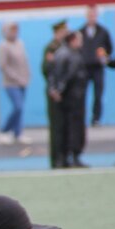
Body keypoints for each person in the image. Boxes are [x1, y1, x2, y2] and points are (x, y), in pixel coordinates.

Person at [47, 30, 89, 168]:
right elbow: (66, 75)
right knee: (72, 129)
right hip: (73, 99)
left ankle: (66, 158)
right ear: (72, 40)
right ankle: (70, 157)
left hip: (72, 97)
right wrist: (58, 90)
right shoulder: (68, 54)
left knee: (67, 129)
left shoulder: (66, 53)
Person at [0, 21, 30, 148]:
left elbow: (24, 62)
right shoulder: (3, 46)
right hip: (11, 82)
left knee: (21, 108)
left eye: (16, 30)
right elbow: (3, 66)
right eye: (12, 30)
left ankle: (18, 132)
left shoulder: (20, 43)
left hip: (23, 81)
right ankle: (4, 130)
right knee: (17, 106)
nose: (14, 32)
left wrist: (26, 76)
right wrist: (16, 78)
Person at [79, 4, 113, 127]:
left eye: (93, 15)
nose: (91, 17)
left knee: (98, 94)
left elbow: (109, 48)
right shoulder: (80, 32)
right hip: (84, 67)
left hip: (98, 67)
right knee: (81, 93)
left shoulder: (103, 32)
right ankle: (81, 117)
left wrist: (104, 56)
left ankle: (96, 118)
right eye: (89, 15)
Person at [41, 20, 67, 169]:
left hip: (64, 92)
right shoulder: (51, 48)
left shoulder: (64, 47)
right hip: (54, 92)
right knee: (56, 128)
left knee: (64, 127)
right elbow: (46, 70)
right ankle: (56, 159)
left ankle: (64, 157)